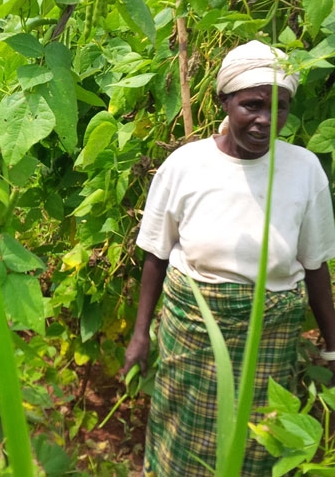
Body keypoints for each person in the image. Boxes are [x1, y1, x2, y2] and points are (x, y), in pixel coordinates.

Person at [123, 40, 335, 475]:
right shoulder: (185, 165)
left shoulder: (304, 168)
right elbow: (155, 255)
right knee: (182, 440)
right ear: (225, 101)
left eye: (279, 107)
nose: (265, 120)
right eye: (252, 105)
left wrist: (333, 348)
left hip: (270, 334)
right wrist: (140, 333)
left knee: (260, 441)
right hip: (194, 331)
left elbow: (315, 265)